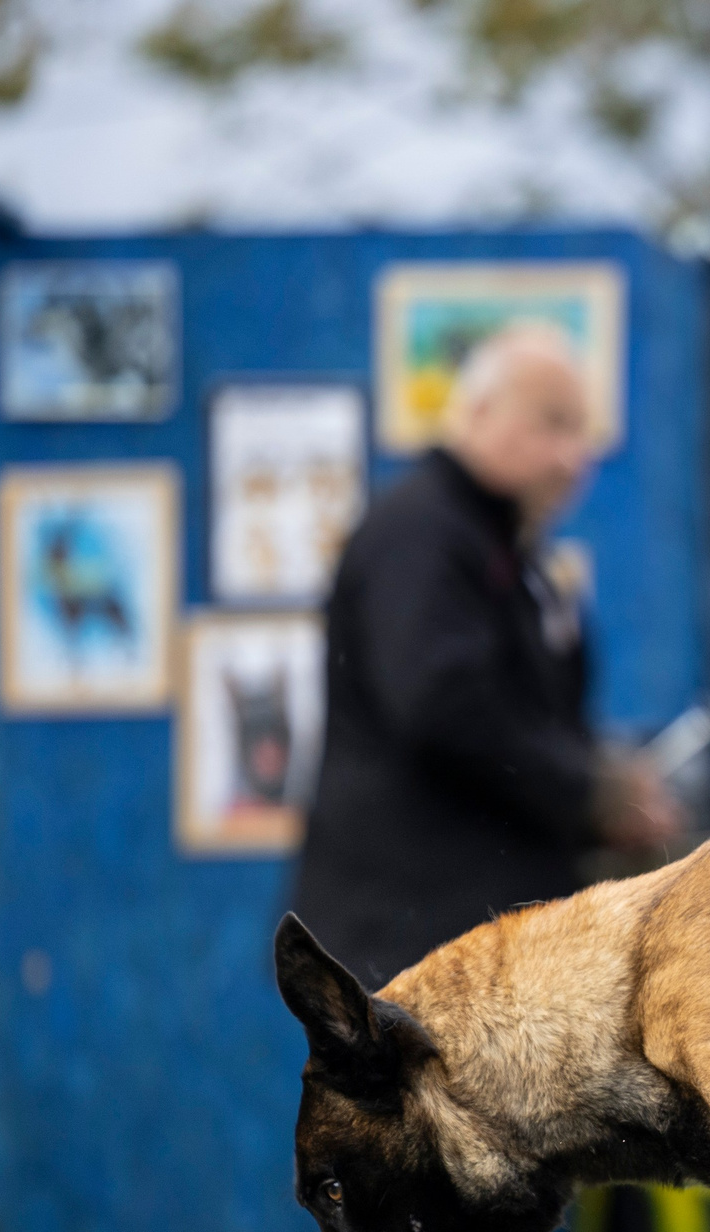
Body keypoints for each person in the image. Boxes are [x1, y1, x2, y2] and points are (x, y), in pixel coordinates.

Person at [291, 322, 678, 992]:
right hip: (411, 940)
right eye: (551, 423)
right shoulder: (420, 533)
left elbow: (530, 712)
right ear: (476, 412)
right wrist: (589, 790)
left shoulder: (507, 549)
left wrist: (607, 782)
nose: (572, 456)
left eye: (583, 431)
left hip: (476, 932)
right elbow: (441, 703)